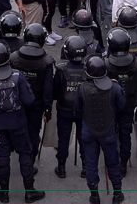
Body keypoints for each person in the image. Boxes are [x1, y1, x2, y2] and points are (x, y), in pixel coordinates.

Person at [0, 41, 43, 203]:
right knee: (25, 154)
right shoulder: (17, 76)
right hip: (18, 121)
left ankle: (4, 192)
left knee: (2, 156)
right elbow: (29, 101)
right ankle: (29, 190)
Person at [77, 55, 126, 204]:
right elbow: (122, 107)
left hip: (88, 131)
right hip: (108, 131)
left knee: (91, 163)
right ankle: (117, 193)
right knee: (113, 162)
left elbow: (77, 110)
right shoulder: (115, 87)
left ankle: (94, 195)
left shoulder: (82, 88)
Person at [10, 24, 55, 172]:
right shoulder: (46, 61)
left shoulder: (14, 58)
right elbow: (48, 88)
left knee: (16, 128)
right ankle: (29, 161)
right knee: (34, 132)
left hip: (16, 102)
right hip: (37, 104)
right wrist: (48, 108)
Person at [104, 28, 137, 176]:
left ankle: (112, 162)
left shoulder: (106, 64)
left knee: (111, 133)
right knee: (125, 133)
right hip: (129, 103)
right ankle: (123, 164)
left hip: (110, 105)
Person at [52, 35, 88, 179]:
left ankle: (61, 167)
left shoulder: (61, 69)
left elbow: (55, 90)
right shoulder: (88, 68)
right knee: (83, 138)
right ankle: (85, 167)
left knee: (63, 139)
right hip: (82, 109)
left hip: (64, 109)